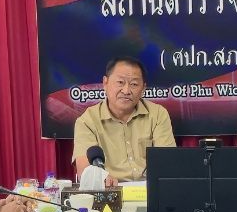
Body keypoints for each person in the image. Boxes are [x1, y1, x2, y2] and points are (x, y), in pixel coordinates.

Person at [69, 49, 175, 184]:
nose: (126, 91)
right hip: (110, 190)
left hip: (150, 190)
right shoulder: (87, 121)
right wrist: (101, 179)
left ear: (143, 88)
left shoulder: (158, 114)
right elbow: (85, 170)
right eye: (120, 82)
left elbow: (167, 162)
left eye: (134, 84)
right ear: (105, 83)